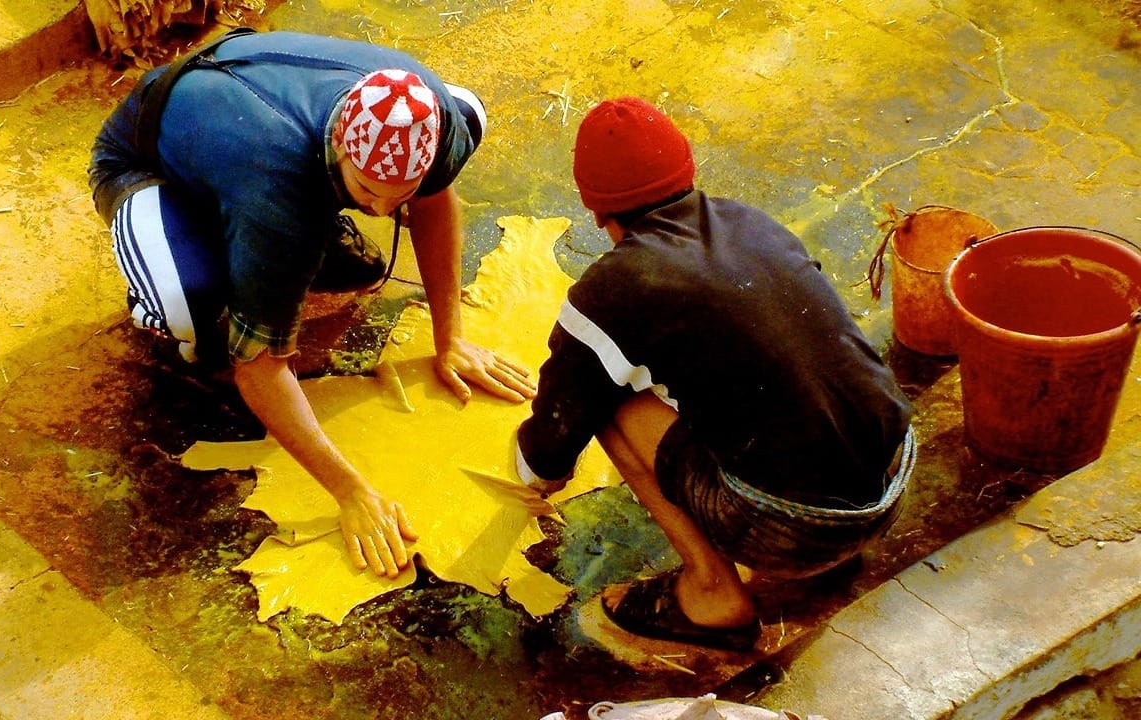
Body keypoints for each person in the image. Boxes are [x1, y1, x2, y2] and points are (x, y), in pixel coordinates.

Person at [88, 29, 537, 579]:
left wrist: (452, 338)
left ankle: (284, 235)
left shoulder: (433, 115)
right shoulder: (277, 186)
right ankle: (190, 262)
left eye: (398, 197)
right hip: (147, 156)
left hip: (252, 121)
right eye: (367, 192)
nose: (382, 208)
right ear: (341, 147)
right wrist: (351, 493)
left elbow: (435, 196)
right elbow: (259, 369)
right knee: (194, 308)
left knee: (455, 123)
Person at [513, 98, 915, 651]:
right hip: (891, 480)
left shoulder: (615, 288)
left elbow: (549, 449)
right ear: (687, 170)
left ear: (595, 211)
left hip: (799, 531)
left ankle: (711, 591)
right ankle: (831, 552)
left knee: (607, 398)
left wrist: (533, 475)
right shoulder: (754, 223)